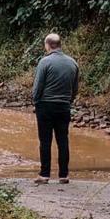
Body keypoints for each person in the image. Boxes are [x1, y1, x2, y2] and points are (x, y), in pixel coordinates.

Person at [33, 33, 79, 184]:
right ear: (59, 44)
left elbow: (38, 86)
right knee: (63, 140)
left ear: (47, 45)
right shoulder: (73, 63)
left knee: (45, 141)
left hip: (46, 105)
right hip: (64, 106)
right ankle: (64, 175)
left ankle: (44, 174)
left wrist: (36, 101)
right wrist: (68, 101)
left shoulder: (45, 62)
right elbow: (75, 88)